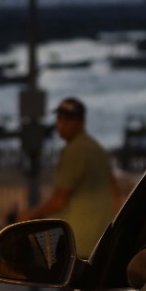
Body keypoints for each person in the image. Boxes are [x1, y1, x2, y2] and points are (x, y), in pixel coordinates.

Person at [20, 96, 119, 259]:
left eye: (67, 119)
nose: (60, 124)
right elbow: (114, 192)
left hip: (78, 243)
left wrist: (30, 216)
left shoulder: (73, 151)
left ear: (80, 122)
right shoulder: (96, 148)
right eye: (59, 118)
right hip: (102, 244)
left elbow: (59, 200)